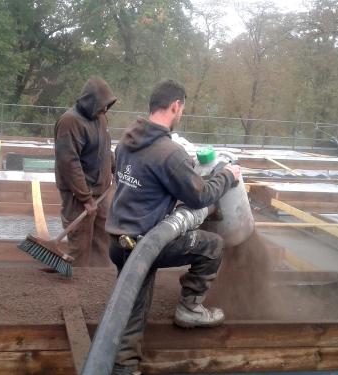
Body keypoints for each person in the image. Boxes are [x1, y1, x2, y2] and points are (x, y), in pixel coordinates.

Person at [105, 79, 240, 374]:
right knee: (212, 246)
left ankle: (124, 353)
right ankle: (188, 310)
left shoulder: (128, 139)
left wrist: (182, 168)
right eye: (182, 110)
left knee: (131, 300)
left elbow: (149, 176)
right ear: (176, 106)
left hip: (118, 238)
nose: (181, 114)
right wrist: (227, 175)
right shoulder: (169, 153)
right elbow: (201, 195)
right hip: (143, 243)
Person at [54, 76, 117, 267]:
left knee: (102, 241)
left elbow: (105, 148)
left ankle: (97, 283)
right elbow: (69, 163)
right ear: (90, 102)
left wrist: (114, 168)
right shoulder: (70, 122)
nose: (105, 109)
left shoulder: (100, 118)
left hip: (100, 193)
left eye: (107, 105)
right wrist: (85, 198)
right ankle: (75, 290)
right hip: (78, 197)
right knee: (80, 244)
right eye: (102, 105)